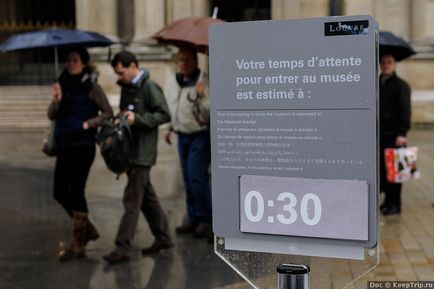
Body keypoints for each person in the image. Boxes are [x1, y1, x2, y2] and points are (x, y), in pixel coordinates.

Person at [103, 51, 173, 265]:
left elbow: (164, 114)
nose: (119, 76)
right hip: (130, 151)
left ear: (133, 65)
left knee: (131, 200)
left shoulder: (149, 87)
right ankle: (164, 237)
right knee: (147, 199)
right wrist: (121, 119)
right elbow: (126, 112)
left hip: (142, 154)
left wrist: (138, 119)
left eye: (121, 72)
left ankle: (122, 247)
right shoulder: (126, 88)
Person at [47, 47, 113, 261]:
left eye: (75, 60)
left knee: (76, 190)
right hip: (65, 144)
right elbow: (51, 115)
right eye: (68, 60)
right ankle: (87, 228)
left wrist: (88, 124)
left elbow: (107, 112)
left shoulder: (91, 86)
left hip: (83, 145)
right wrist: (56, 99)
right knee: (59, 191)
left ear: (84, 63)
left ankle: (78, 243)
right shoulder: (62, 85)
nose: (71, 63)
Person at [164, 47, 212, 239]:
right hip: (181, 134)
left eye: (187, 60)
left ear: (196, 62)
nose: (183, 64)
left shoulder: (204, 81)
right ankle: (193, 218)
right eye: (180, 60)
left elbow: (210, 112)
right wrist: (169, 127)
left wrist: (202, 96)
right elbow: (173, 105)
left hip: (199, 135)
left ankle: (207, 220)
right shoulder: (176, 81)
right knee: (187, 180)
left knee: (197, 178)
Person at [379, 53, 411, 216]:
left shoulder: (401, 85)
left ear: (395, 64)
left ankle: (395, 204)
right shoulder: (376, 83)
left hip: (394, 135)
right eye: (383, 62)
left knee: (396, 171)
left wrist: (402, 133)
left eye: (389, 62)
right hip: (380, 135)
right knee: (383, 171)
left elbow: (405, 111)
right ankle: (387, 202)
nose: (386, 65)